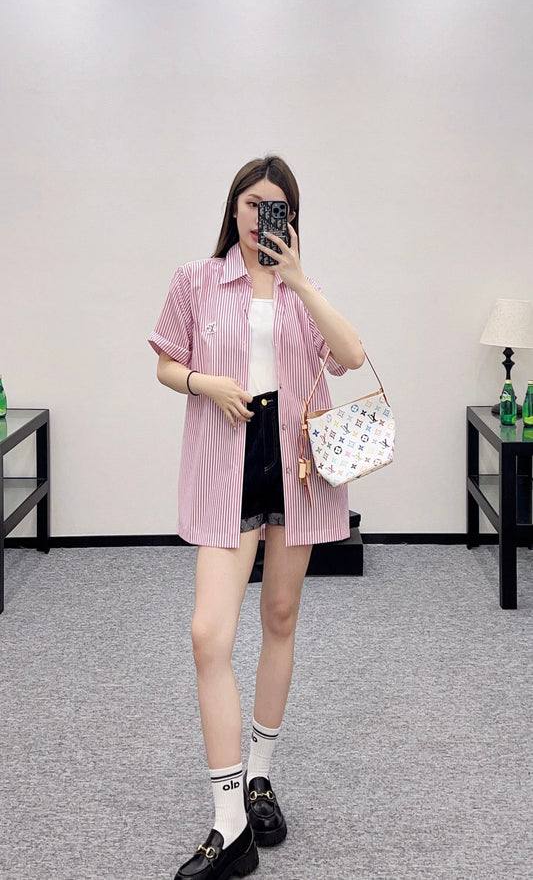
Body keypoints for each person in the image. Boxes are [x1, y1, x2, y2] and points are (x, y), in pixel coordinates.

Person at [148, 155, 364, 880]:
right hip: (228, 462)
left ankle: (260, 779)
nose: (258, 216)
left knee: (279, 615)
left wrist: (298, 278)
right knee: (208, 634)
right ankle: (228, 819)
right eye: (249, 202)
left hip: (295, 463)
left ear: (289, 219)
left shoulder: (303, 290)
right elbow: (164, 363)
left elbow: (350, 355)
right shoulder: (196, 279)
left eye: (274, 207)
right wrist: (204, 382)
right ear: (233, 208)